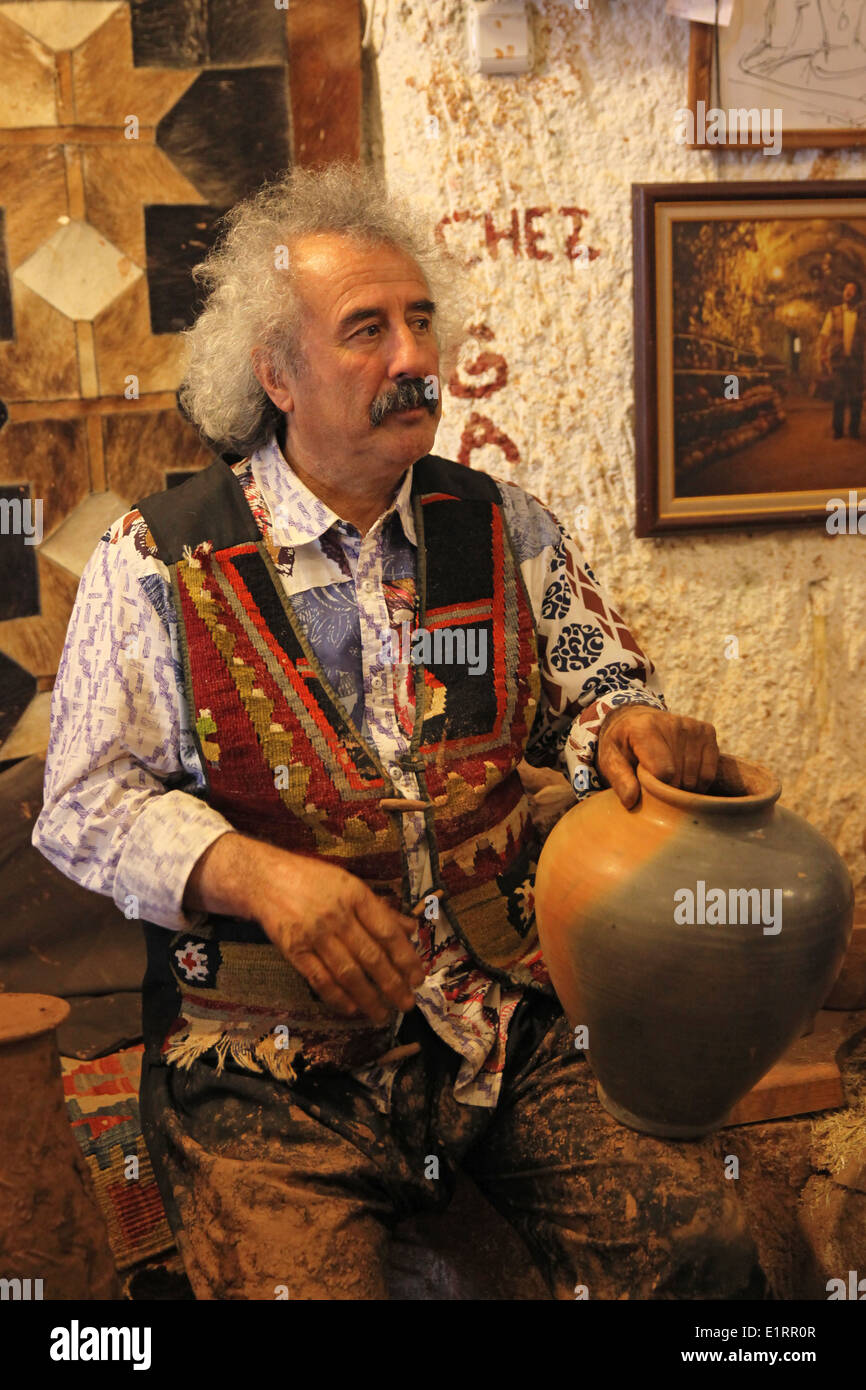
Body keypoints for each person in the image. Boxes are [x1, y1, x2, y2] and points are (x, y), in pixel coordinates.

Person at [33, 162, 766, 1301]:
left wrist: (630, 726)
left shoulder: (498, 526)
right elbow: (80, 805)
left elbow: (597, 686)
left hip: (498, 1030)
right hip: (267, 1070)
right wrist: (258, 875)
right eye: (365, 330)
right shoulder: (157, 560)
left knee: (703, 1259)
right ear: (275, 373)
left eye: (420, 321)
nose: (413, 357)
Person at [819, 278, 866, 439]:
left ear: (857, 294)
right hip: (839, 361)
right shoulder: (834, 312)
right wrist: (822, 353)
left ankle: (853, 430)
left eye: (852, 289)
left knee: (856, 397)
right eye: (846, 288)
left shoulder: (862, 315)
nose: (848, 291)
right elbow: (825, 334)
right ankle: (838, 430)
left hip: (856, 361)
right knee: (838, 396)